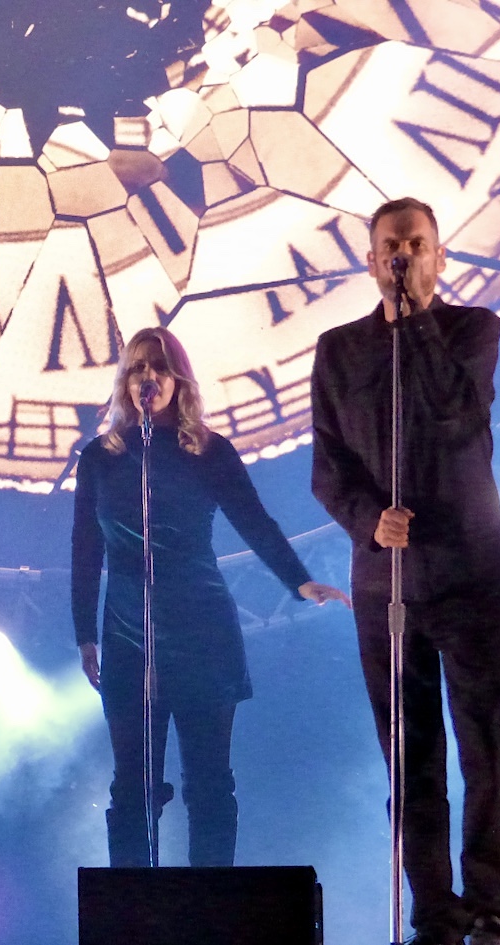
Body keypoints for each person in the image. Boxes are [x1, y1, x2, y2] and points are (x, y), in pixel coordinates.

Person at [310, 197, 500, 945]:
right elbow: (327, 467)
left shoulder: (474, 329)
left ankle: (496, 907)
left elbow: (458, 414)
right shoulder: (338, 350)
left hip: (469, 573)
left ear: (439, 255)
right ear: (370, 261)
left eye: (417, 244)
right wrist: (370, 518)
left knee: (488, 746)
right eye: (391, 246)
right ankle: (434, 911)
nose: (403, 255)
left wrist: (414, 318)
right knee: (411, 755)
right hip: (386, 583)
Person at [72, 326, 349, 869]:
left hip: (202, 630)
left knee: (209, 782)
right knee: (132, 785)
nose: (149, 376)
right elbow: (85, 550)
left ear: (179, 378)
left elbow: (254, 521)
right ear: (125, 380)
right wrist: (84, 635)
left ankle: (210, 903)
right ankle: (131, 908)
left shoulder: (208, 450)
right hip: (127, 632)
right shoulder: (99, 458)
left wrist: (298, 581)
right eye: (138, 366)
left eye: (160, 366)